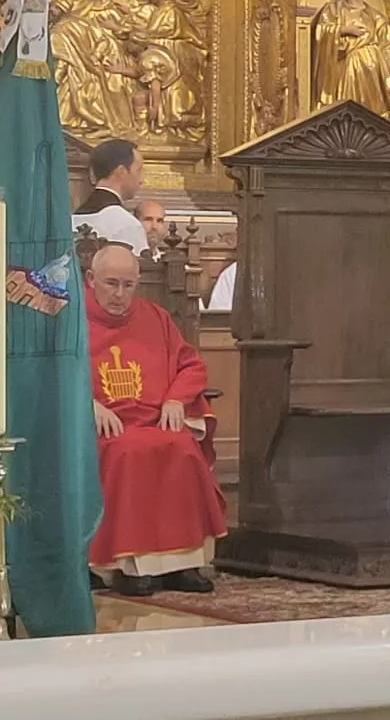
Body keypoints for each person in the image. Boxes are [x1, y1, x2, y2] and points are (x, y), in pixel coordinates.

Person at [84, 244, 225, 597]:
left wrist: (177, 398)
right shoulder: (70, 322)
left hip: (154, 421)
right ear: (90, 280)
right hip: (101, 428)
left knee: (183, 448)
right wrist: (86, 405)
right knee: (129, 452)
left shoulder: (156, 317)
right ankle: (129, 567)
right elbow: (52, 376)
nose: (120, 295)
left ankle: (182, 565)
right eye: (111, 284)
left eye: (128, 285)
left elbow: (190, 365)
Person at [73, 138, 148, 253]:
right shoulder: (126, 225)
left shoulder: (71, 221)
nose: (142, 179)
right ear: (121, 171)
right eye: (138, 170)